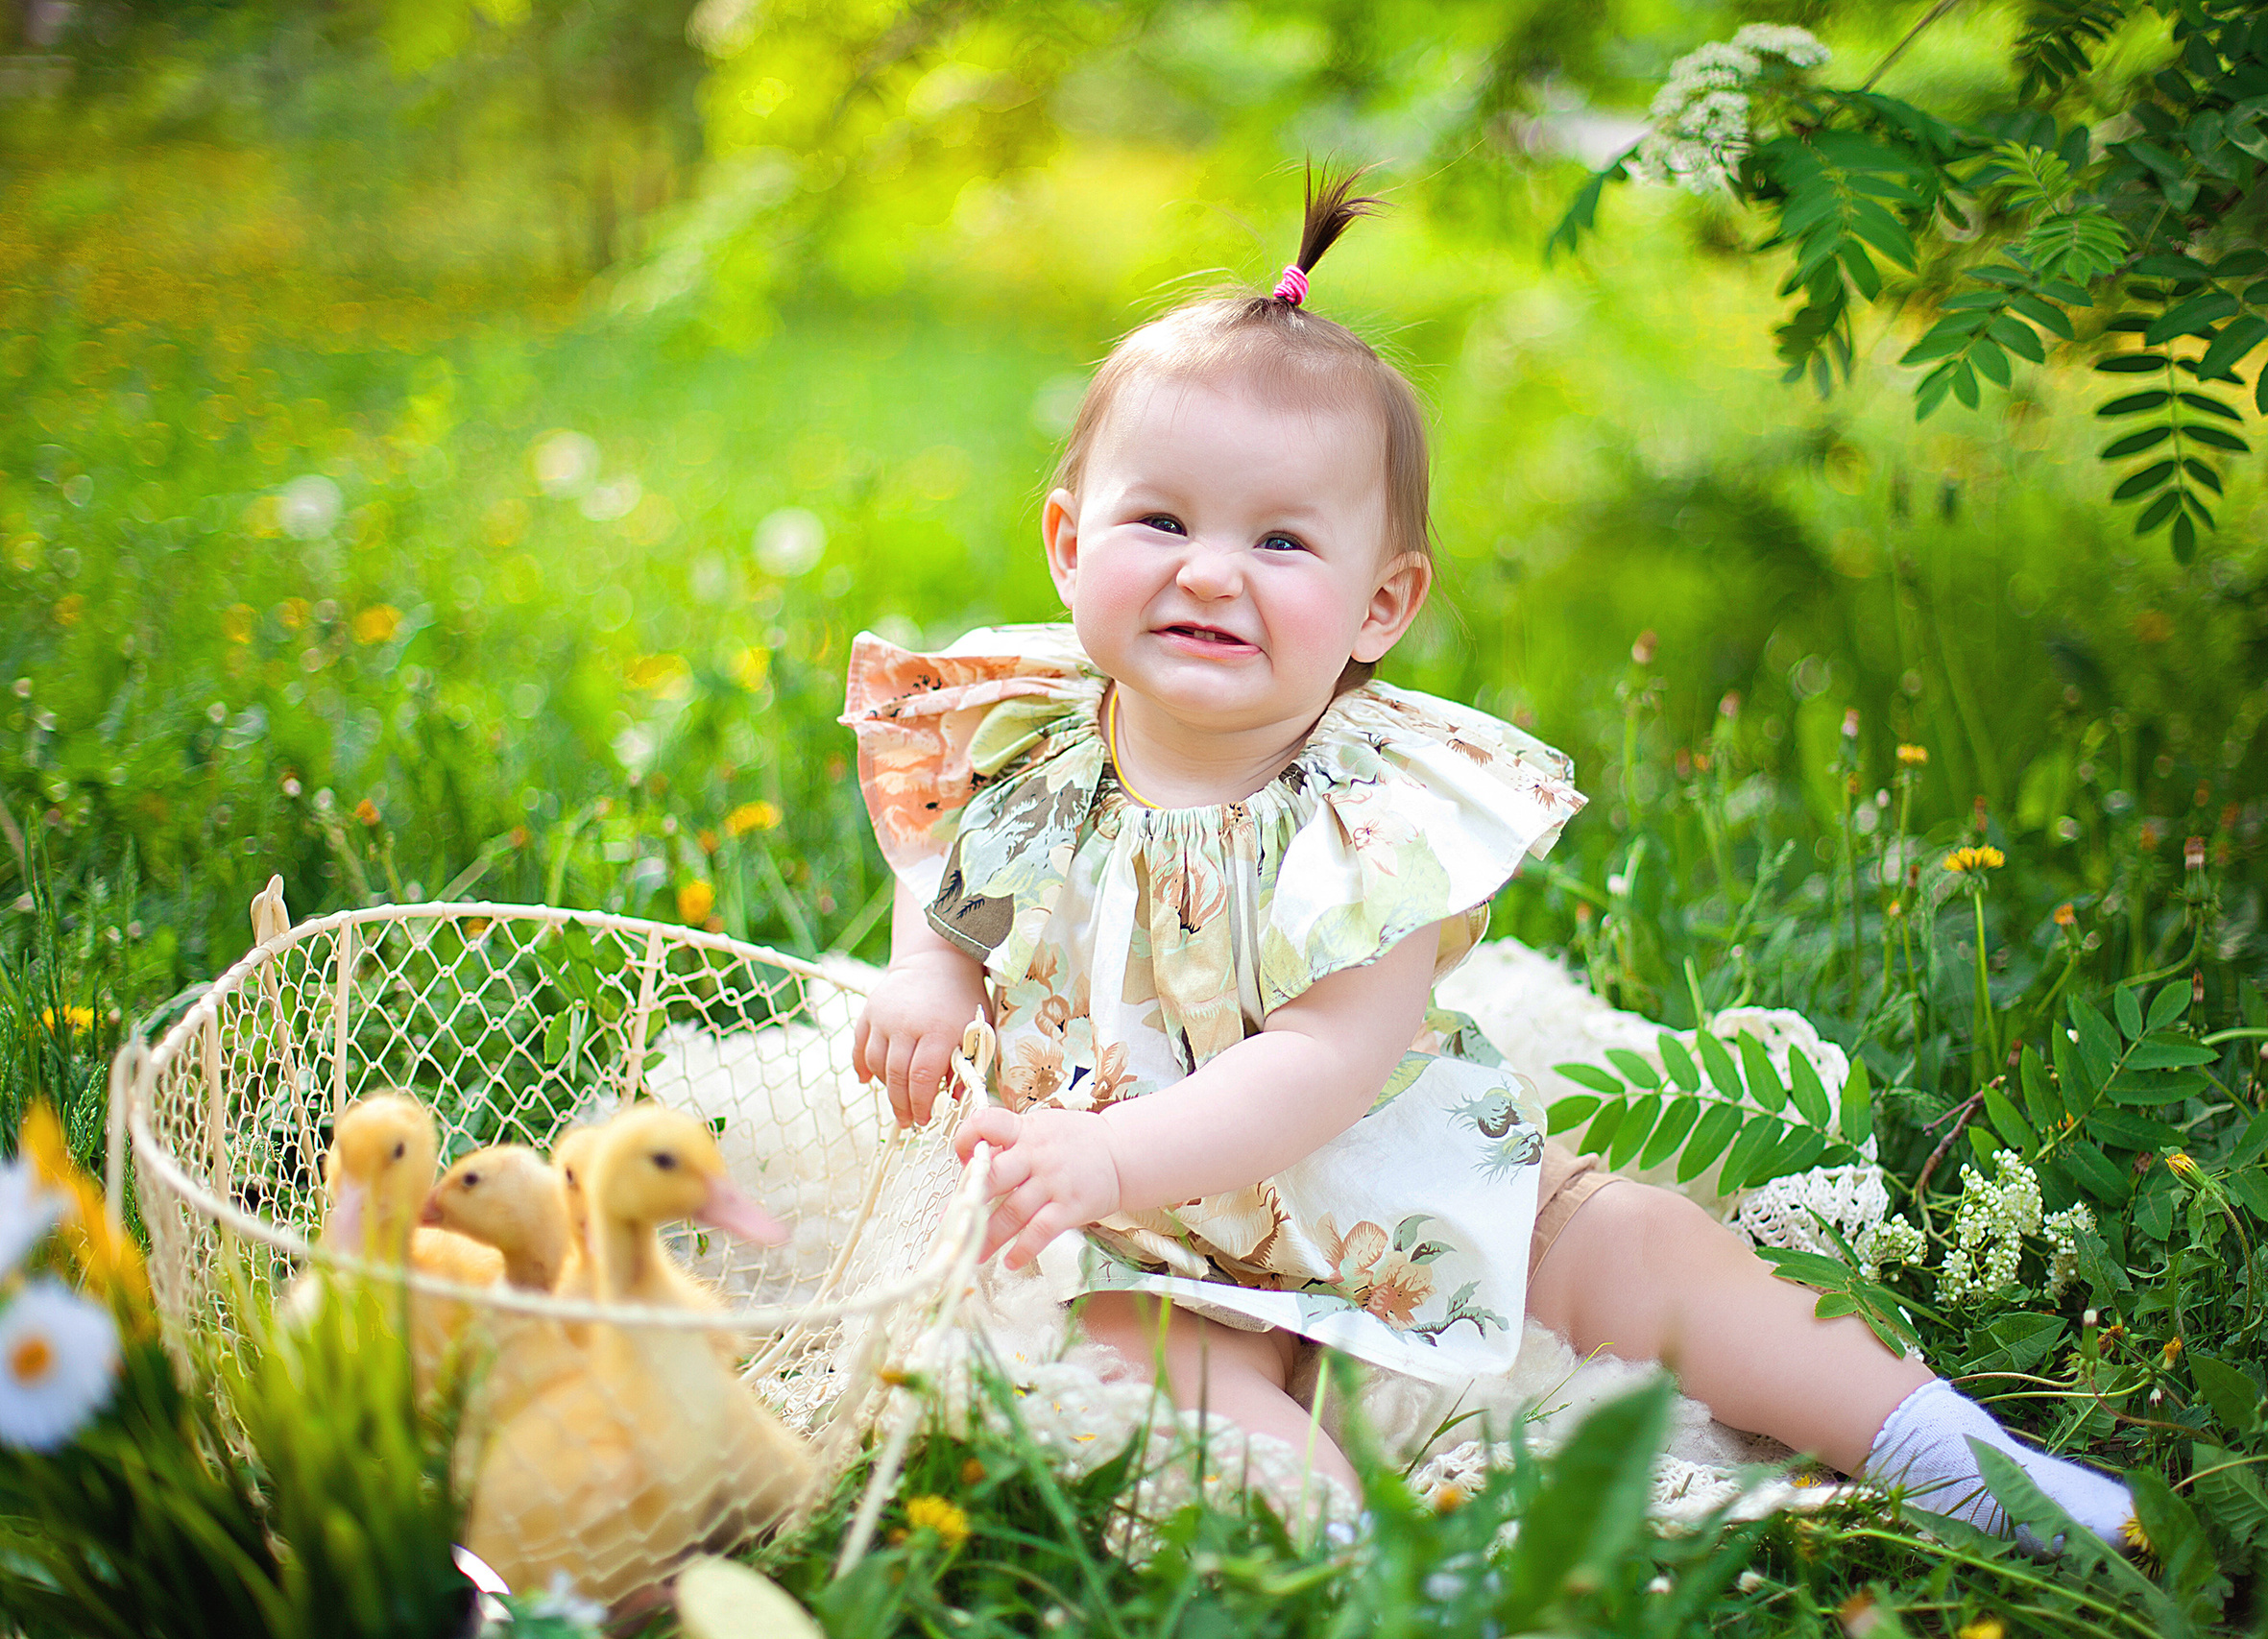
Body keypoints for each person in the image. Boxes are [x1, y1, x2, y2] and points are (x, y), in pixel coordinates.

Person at [841, 169, 2133, 1551]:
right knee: (1137, 1375)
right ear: (1066, 542)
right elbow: (966, 891)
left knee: (1633, 1243)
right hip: (1144, 1251)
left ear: (1380, 603)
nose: (1210, 572)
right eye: (1162, 522)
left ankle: (1953, 1455)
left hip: (1385, 1194)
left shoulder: (1374, 813)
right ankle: (1361, 1568)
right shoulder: (1030, 736)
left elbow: (1323, 1065)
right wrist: (931, 977)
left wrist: (1105, 1158)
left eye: (1279, 541)